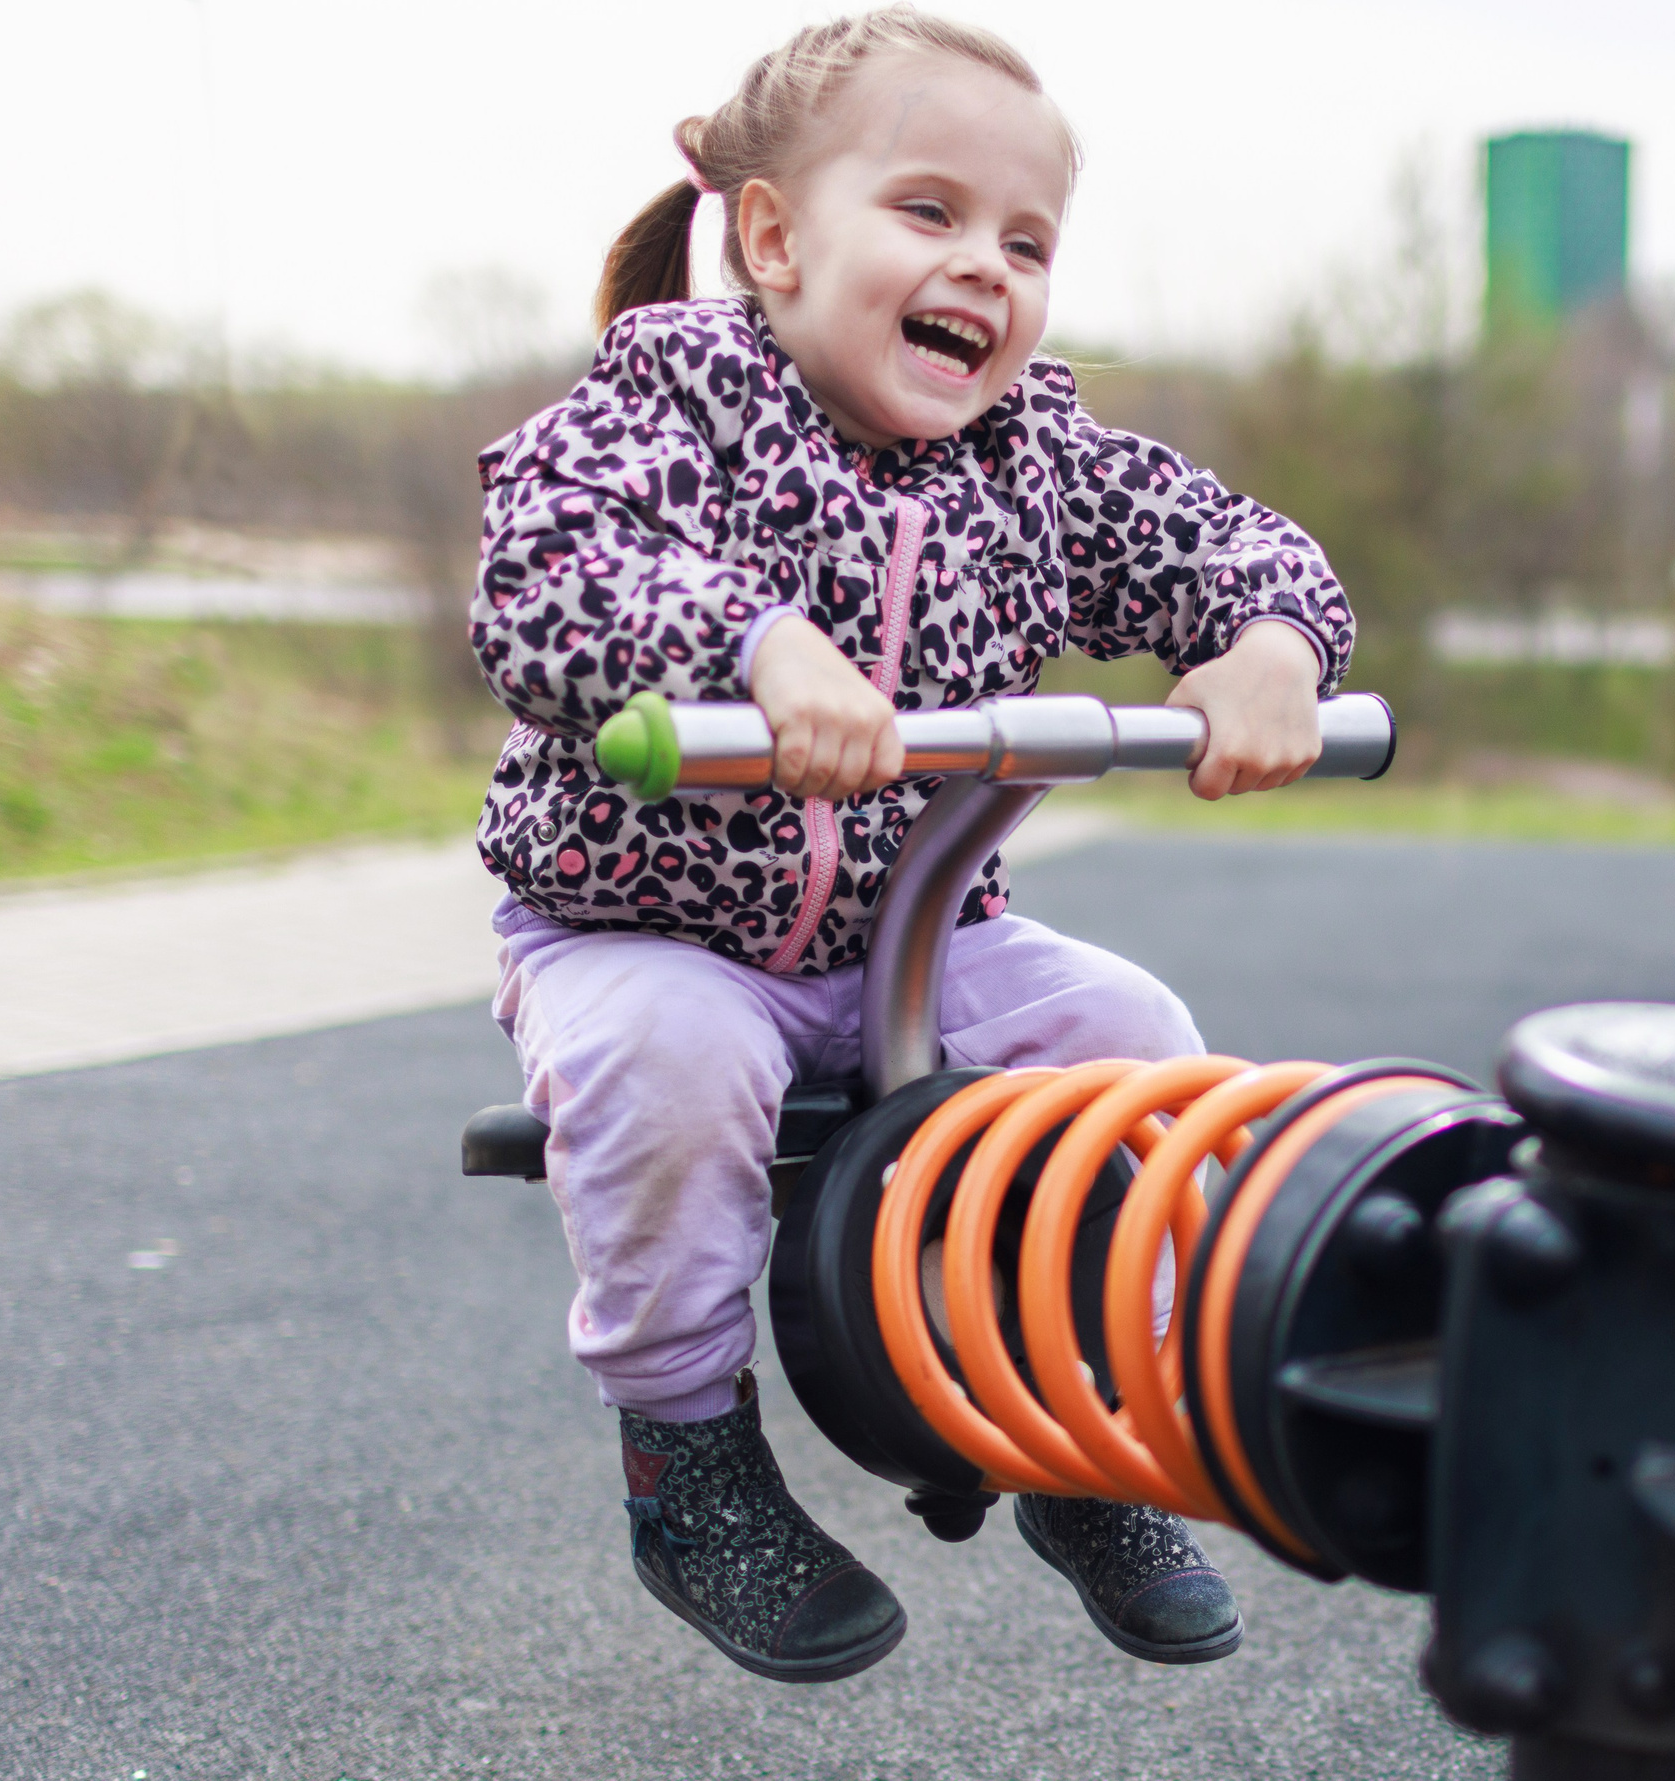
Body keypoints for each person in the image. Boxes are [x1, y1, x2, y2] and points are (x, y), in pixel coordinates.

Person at [469, 6, 1355, 1687]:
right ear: (775, 237)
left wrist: (1269, 647)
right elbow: (547, 569)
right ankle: (688, 1459)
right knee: (667, 1065)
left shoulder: (1036, 462)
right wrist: (751, 647)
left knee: (1140, 1047)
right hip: (649, 929)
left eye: (1027, 241)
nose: (985, 269)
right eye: (930, 212)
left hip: (925, 935)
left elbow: (1230, 541)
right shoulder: (670, 408)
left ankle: (1081, 1416)